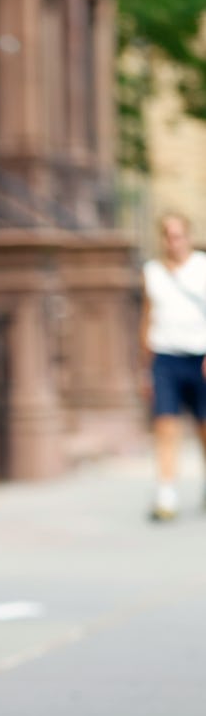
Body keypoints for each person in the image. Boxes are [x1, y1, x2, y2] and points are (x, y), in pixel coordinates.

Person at [140, 212, 206, 520]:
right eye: (168, 235)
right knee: (165, 426)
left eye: (179, 235)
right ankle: (166, 494)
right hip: (165, 357)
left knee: (203, 428)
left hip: (200, 356)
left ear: (188, 237)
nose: (174, 241)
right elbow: (147, 317)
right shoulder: (152, 272)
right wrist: (144, 366)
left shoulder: (202, 267)